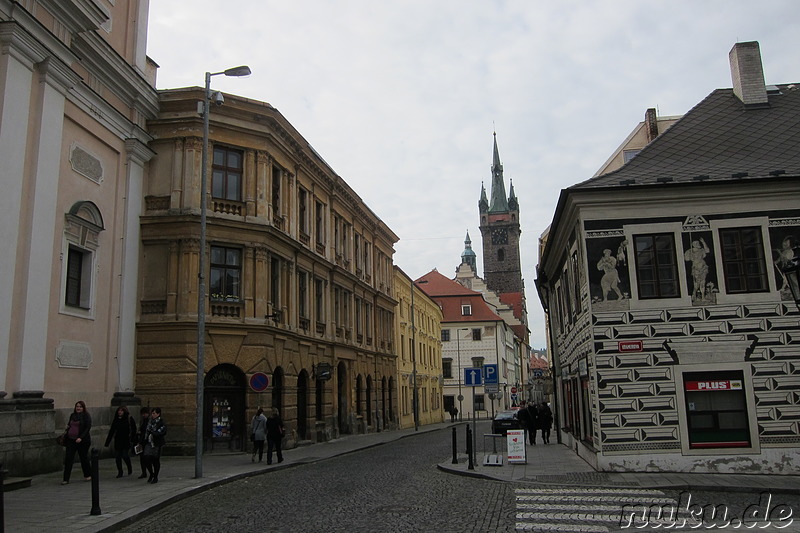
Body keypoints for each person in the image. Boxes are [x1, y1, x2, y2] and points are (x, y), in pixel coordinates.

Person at [62, 400, 92, 485]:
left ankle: (88, 474)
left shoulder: (86, 416)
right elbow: (69, 424)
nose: (78, 408)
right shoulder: (73, 415)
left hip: (82, 441)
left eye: (80, 407)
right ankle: (66, 479)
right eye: (77, 406)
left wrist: (80, 437)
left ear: (83, 408)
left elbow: (87, 427)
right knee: (68, 459)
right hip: (71, 440)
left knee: (83, 458)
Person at [104, 405, 137, 477]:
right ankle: (120, 472)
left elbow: (134, 429)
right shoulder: (116, 419)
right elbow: (112, 430)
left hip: (126, 440)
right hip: (118, 440)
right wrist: (107, 442)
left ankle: (129, 467)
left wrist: (132, 439)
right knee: (118, 457)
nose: (120, 412)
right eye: (119, 410)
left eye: (121, 411)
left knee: (125, 455)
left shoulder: (129, 419)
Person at [143, 407, 166, 483]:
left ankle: (155, 476)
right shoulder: (149, 422)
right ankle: (151, 473)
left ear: (158, 414)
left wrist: (154, 433)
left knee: (155, 460)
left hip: (157, 443)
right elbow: (145, 431)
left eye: (154, 413)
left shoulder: (161, 422)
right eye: (152, 413)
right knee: (146, 458)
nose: (152, 415)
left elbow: (162, 432)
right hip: (149, 443)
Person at [136, 407, 150, 478]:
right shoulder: (143, 421)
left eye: (145, 413)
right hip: (142, 441)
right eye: (143, 414)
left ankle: (149, 471)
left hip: (147, 441)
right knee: (142, 458)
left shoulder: (149, 421)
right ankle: (144, 472)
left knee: (146, 458)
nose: (144, 415)